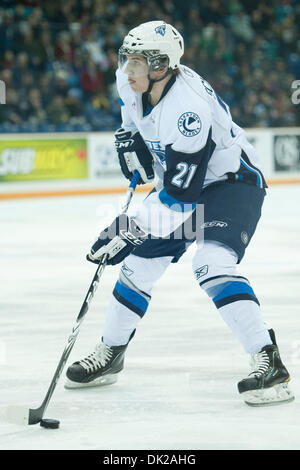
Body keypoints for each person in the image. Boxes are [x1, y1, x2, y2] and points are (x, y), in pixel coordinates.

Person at [65, 21, 294, 406]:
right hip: (186, 184)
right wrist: (129, 141)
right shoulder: (130, 81)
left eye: (139, 61)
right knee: (137, 267)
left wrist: (129, 228)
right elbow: (131, 120)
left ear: (162, 65)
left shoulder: (188, 110)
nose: (128, 69)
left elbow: (179, 198)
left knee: (212, 262)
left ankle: (267, 360)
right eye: (127, 58)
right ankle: (112, 353)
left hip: (230, 182)